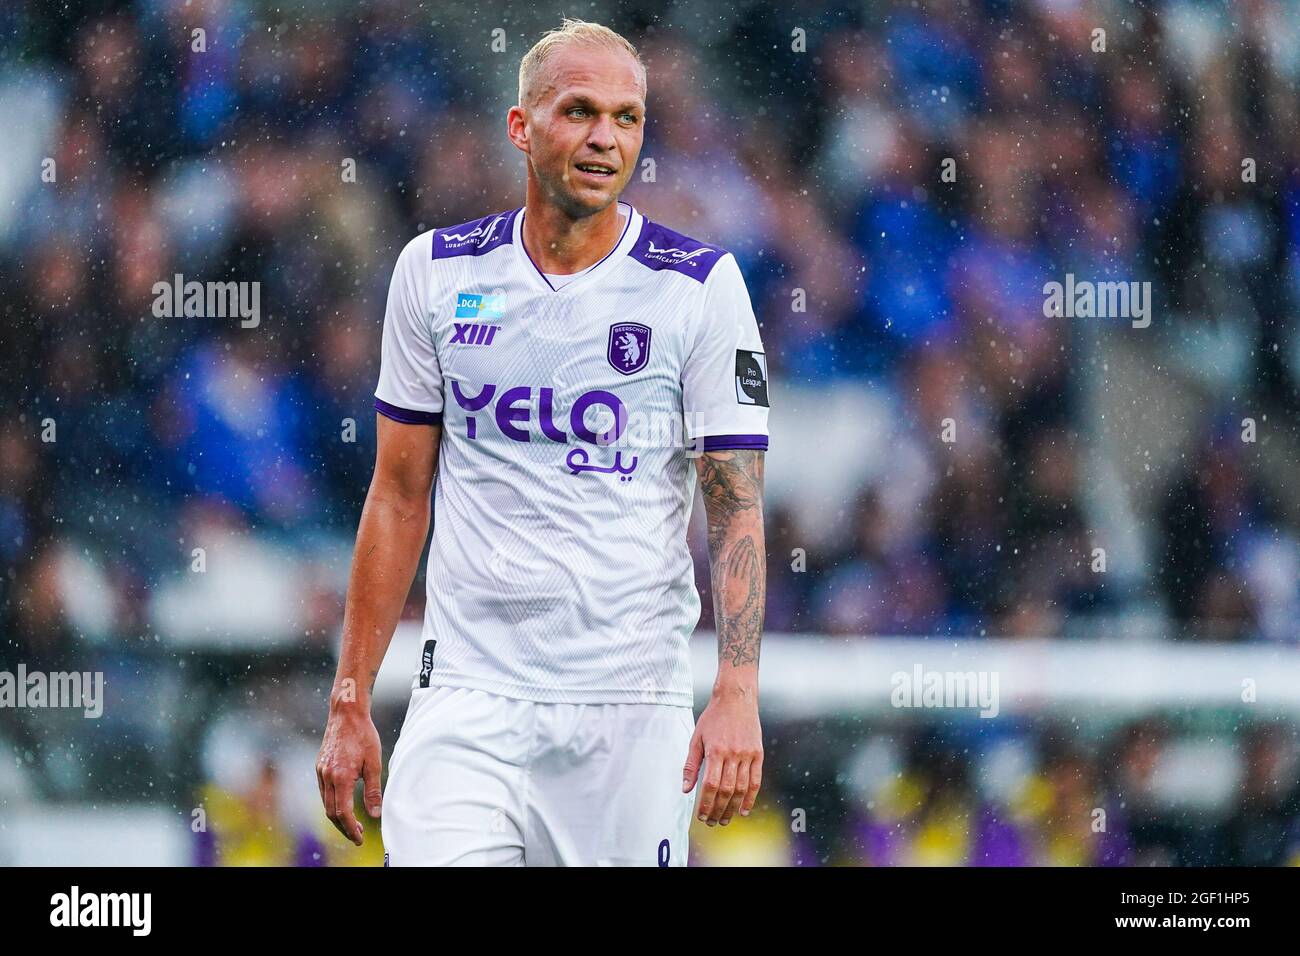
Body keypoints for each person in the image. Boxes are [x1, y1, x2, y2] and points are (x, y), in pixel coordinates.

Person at [316, 18, 770, 865]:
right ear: (522, 129)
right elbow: (398, 495)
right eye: (580, 111)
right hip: (466, 697)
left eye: (628, 118)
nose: (606, 138)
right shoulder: (436, 273)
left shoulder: (700, 288)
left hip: (630, 704)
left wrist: (737, 691)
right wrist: (350, 698)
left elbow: (736, 505)